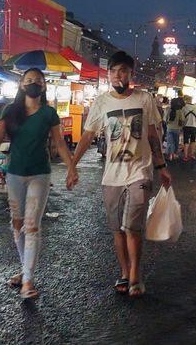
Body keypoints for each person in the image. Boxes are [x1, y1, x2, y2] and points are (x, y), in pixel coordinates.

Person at [71, 51, 172, 298]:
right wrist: (73, 165)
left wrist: (161, 166)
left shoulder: (145, 99)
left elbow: (152, 135)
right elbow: (87, 136)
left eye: (123, 70)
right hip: (112, 175)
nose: (118, 75)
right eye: (114, 71)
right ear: (108, 75)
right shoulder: (101, 102)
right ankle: (125, 273)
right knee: (118, 229)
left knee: (132, 227)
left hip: (139, 172)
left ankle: (136, 275)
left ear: (131, 74)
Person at [0, 68, 79, 300]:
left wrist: (71, 167)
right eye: (29, 80)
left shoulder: (49, 114)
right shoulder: (10, 111)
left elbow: (60, 144)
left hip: (40, 175)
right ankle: (26, 271)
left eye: (38, 81)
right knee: (17, 225)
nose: (34, 83)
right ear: (22, 85)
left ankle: (28, 281)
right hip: (14, 175)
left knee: (32, 226)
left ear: (43, 87)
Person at [181, 95, 196, 162]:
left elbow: (182, 119)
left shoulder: (183, 108)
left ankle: (185, 156)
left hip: (186, 126)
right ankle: (192, 154)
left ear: (186, 100)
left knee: (186, 142)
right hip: (193, 127)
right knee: (193, 141)